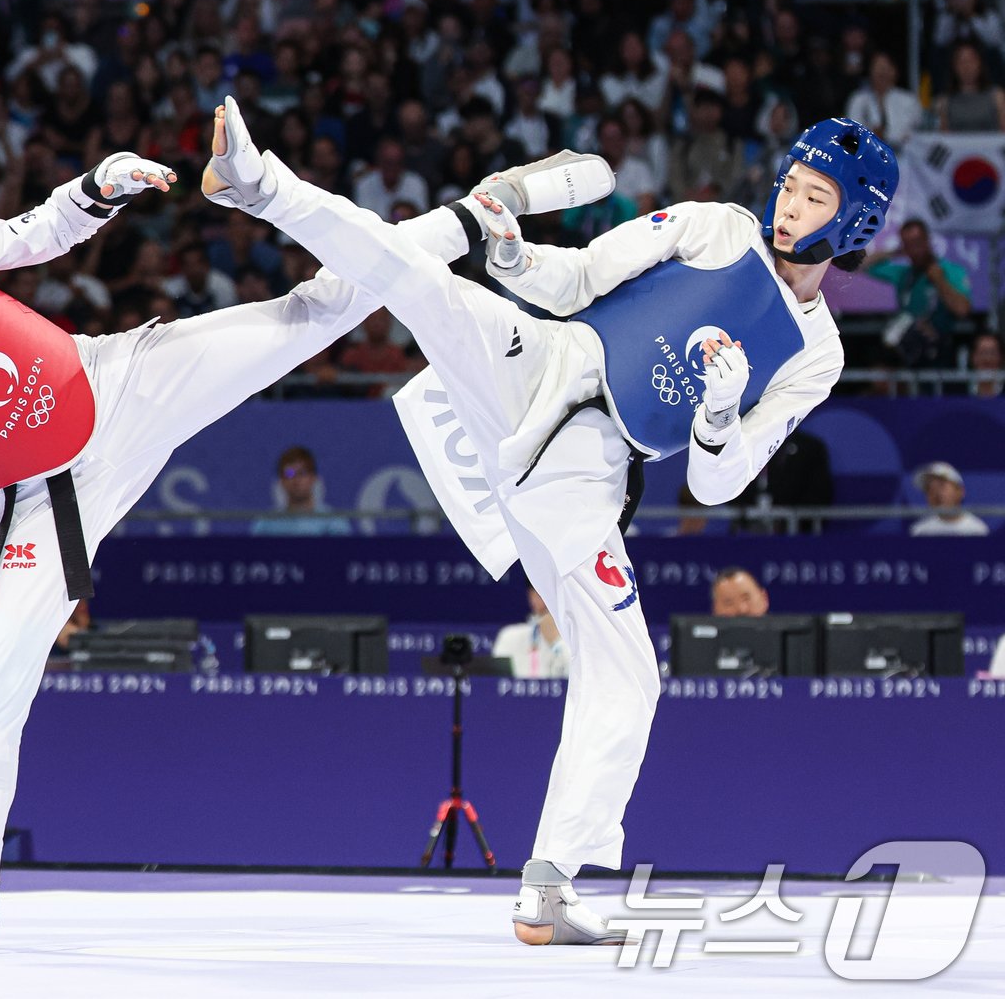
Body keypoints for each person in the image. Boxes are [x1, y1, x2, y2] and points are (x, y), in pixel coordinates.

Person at [204, 100, 898, 945]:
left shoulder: (817, 354)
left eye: (816, 197)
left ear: (854, 216)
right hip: (537, 366)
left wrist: (719, 412)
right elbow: (573, 282)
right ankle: (260, 183)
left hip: (588, 476)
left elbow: (720, 484)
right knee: (419, 279)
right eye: (791, 184)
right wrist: (511, 251)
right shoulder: (715, 226)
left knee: (629, 673)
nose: (790, 204)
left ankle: (550, 885)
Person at [0, 132, 454, 950]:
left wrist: (101, 185)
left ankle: (464, 222)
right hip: (40, 505)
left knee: (306, 314)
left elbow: (37, 229)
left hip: (120, 381)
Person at [863, 218, 972, 368]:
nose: (915, 250)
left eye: (918, 243)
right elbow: (862, 264)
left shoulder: (949, 271)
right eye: (909, 245)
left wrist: (940, 281)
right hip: (906, 347)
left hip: (939, 348)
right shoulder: (904, 274)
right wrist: (895, 252)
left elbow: (962, 310)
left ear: (927, 240)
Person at [249, 446, 352, 536]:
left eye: (302, 473)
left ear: (313, 478)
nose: (296, 480)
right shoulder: (266, 523)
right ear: (281, 481)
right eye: (289, 474)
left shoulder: (334, 521)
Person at [492, 579, 570, 678]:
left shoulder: (578, 638)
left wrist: (557, 643)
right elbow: (495, 685)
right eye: (540, 591)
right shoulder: (509, 637)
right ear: (531, 595)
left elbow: (581, 679)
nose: (550, 598)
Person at [909, 461, 988, 536]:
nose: (936, 493)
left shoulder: (977, 530)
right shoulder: (919, 531)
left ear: (960, 491)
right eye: (929, 489)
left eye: (941, 486)